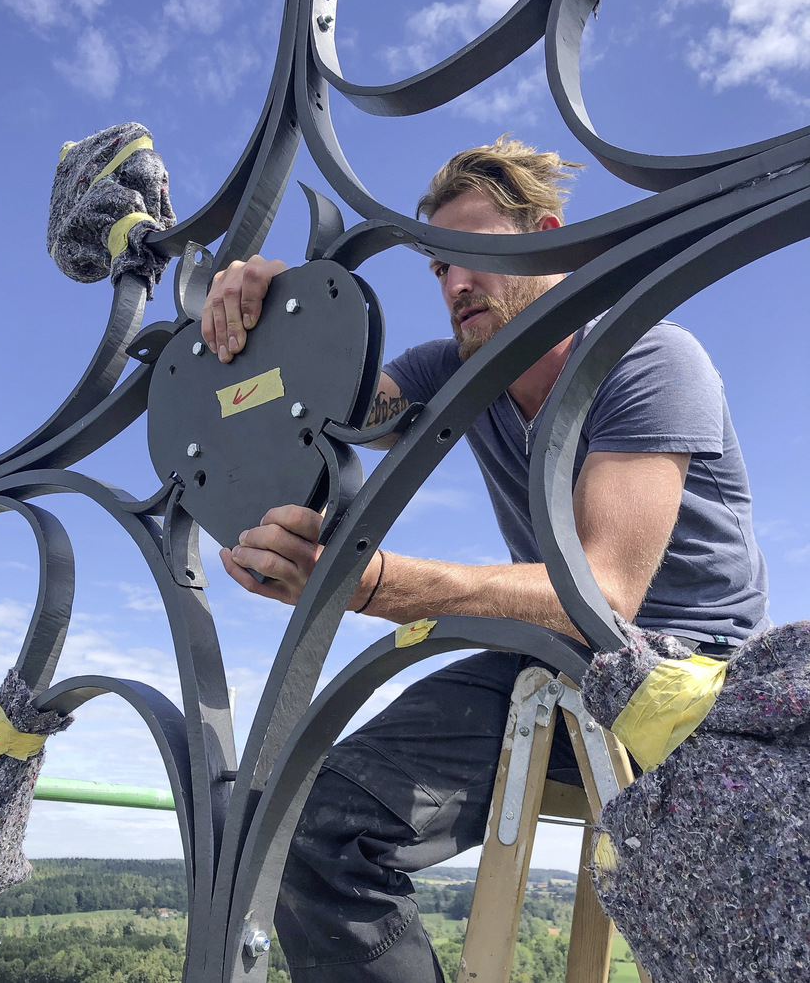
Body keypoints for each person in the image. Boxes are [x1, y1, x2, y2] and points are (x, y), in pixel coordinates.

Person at [200, 137, 769, 982]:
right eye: (438, 268)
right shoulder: (455, 367)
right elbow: (331, 411)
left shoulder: (650, 357)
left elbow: (604, 589)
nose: (454, 283)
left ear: (543, 237)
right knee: (315, 825)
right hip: (542, 654)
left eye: (474, 256)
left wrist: (373, 582)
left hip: (682, 680)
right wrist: (269, 312)